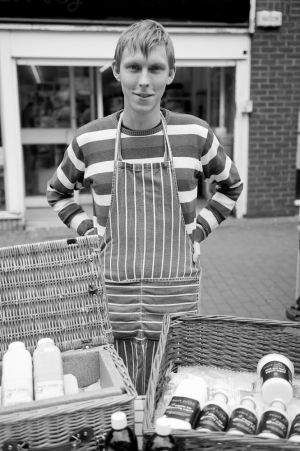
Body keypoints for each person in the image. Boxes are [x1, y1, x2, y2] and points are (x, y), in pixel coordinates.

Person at [46, 19, 243, 394]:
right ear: (117, 70)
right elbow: (57, 192)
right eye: (134, 67)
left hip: (175, 292)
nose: (144, 81)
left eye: (155, 69)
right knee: (116, 394)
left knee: (170, 391)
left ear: (170, 74)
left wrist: (197, 230)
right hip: (111, 292)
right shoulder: (90, 139)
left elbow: (231, 185)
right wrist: (90, 232)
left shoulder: (195, 135)